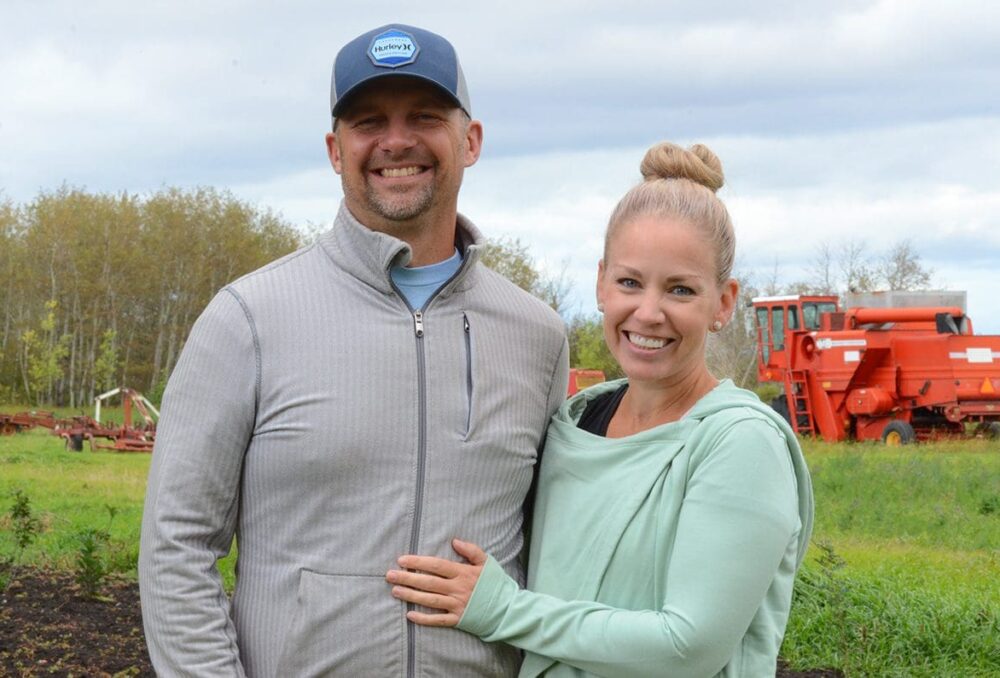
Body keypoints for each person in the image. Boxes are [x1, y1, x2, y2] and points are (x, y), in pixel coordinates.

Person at [139, 23, 569, 677]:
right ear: (335, 149)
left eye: (424, 116)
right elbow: (177, 544)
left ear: (471, 141)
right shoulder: (247, 319)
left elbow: (554, 550)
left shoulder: (536, 334)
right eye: (368, 121)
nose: (396, 141)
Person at [387, 142, 814, 677]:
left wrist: (502, 610)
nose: (649, 312)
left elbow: (689, 646)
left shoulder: (739, 443)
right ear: (600, 283)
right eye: (630, 282)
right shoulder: (577, 421)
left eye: (680, 289)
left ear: (723, 303)